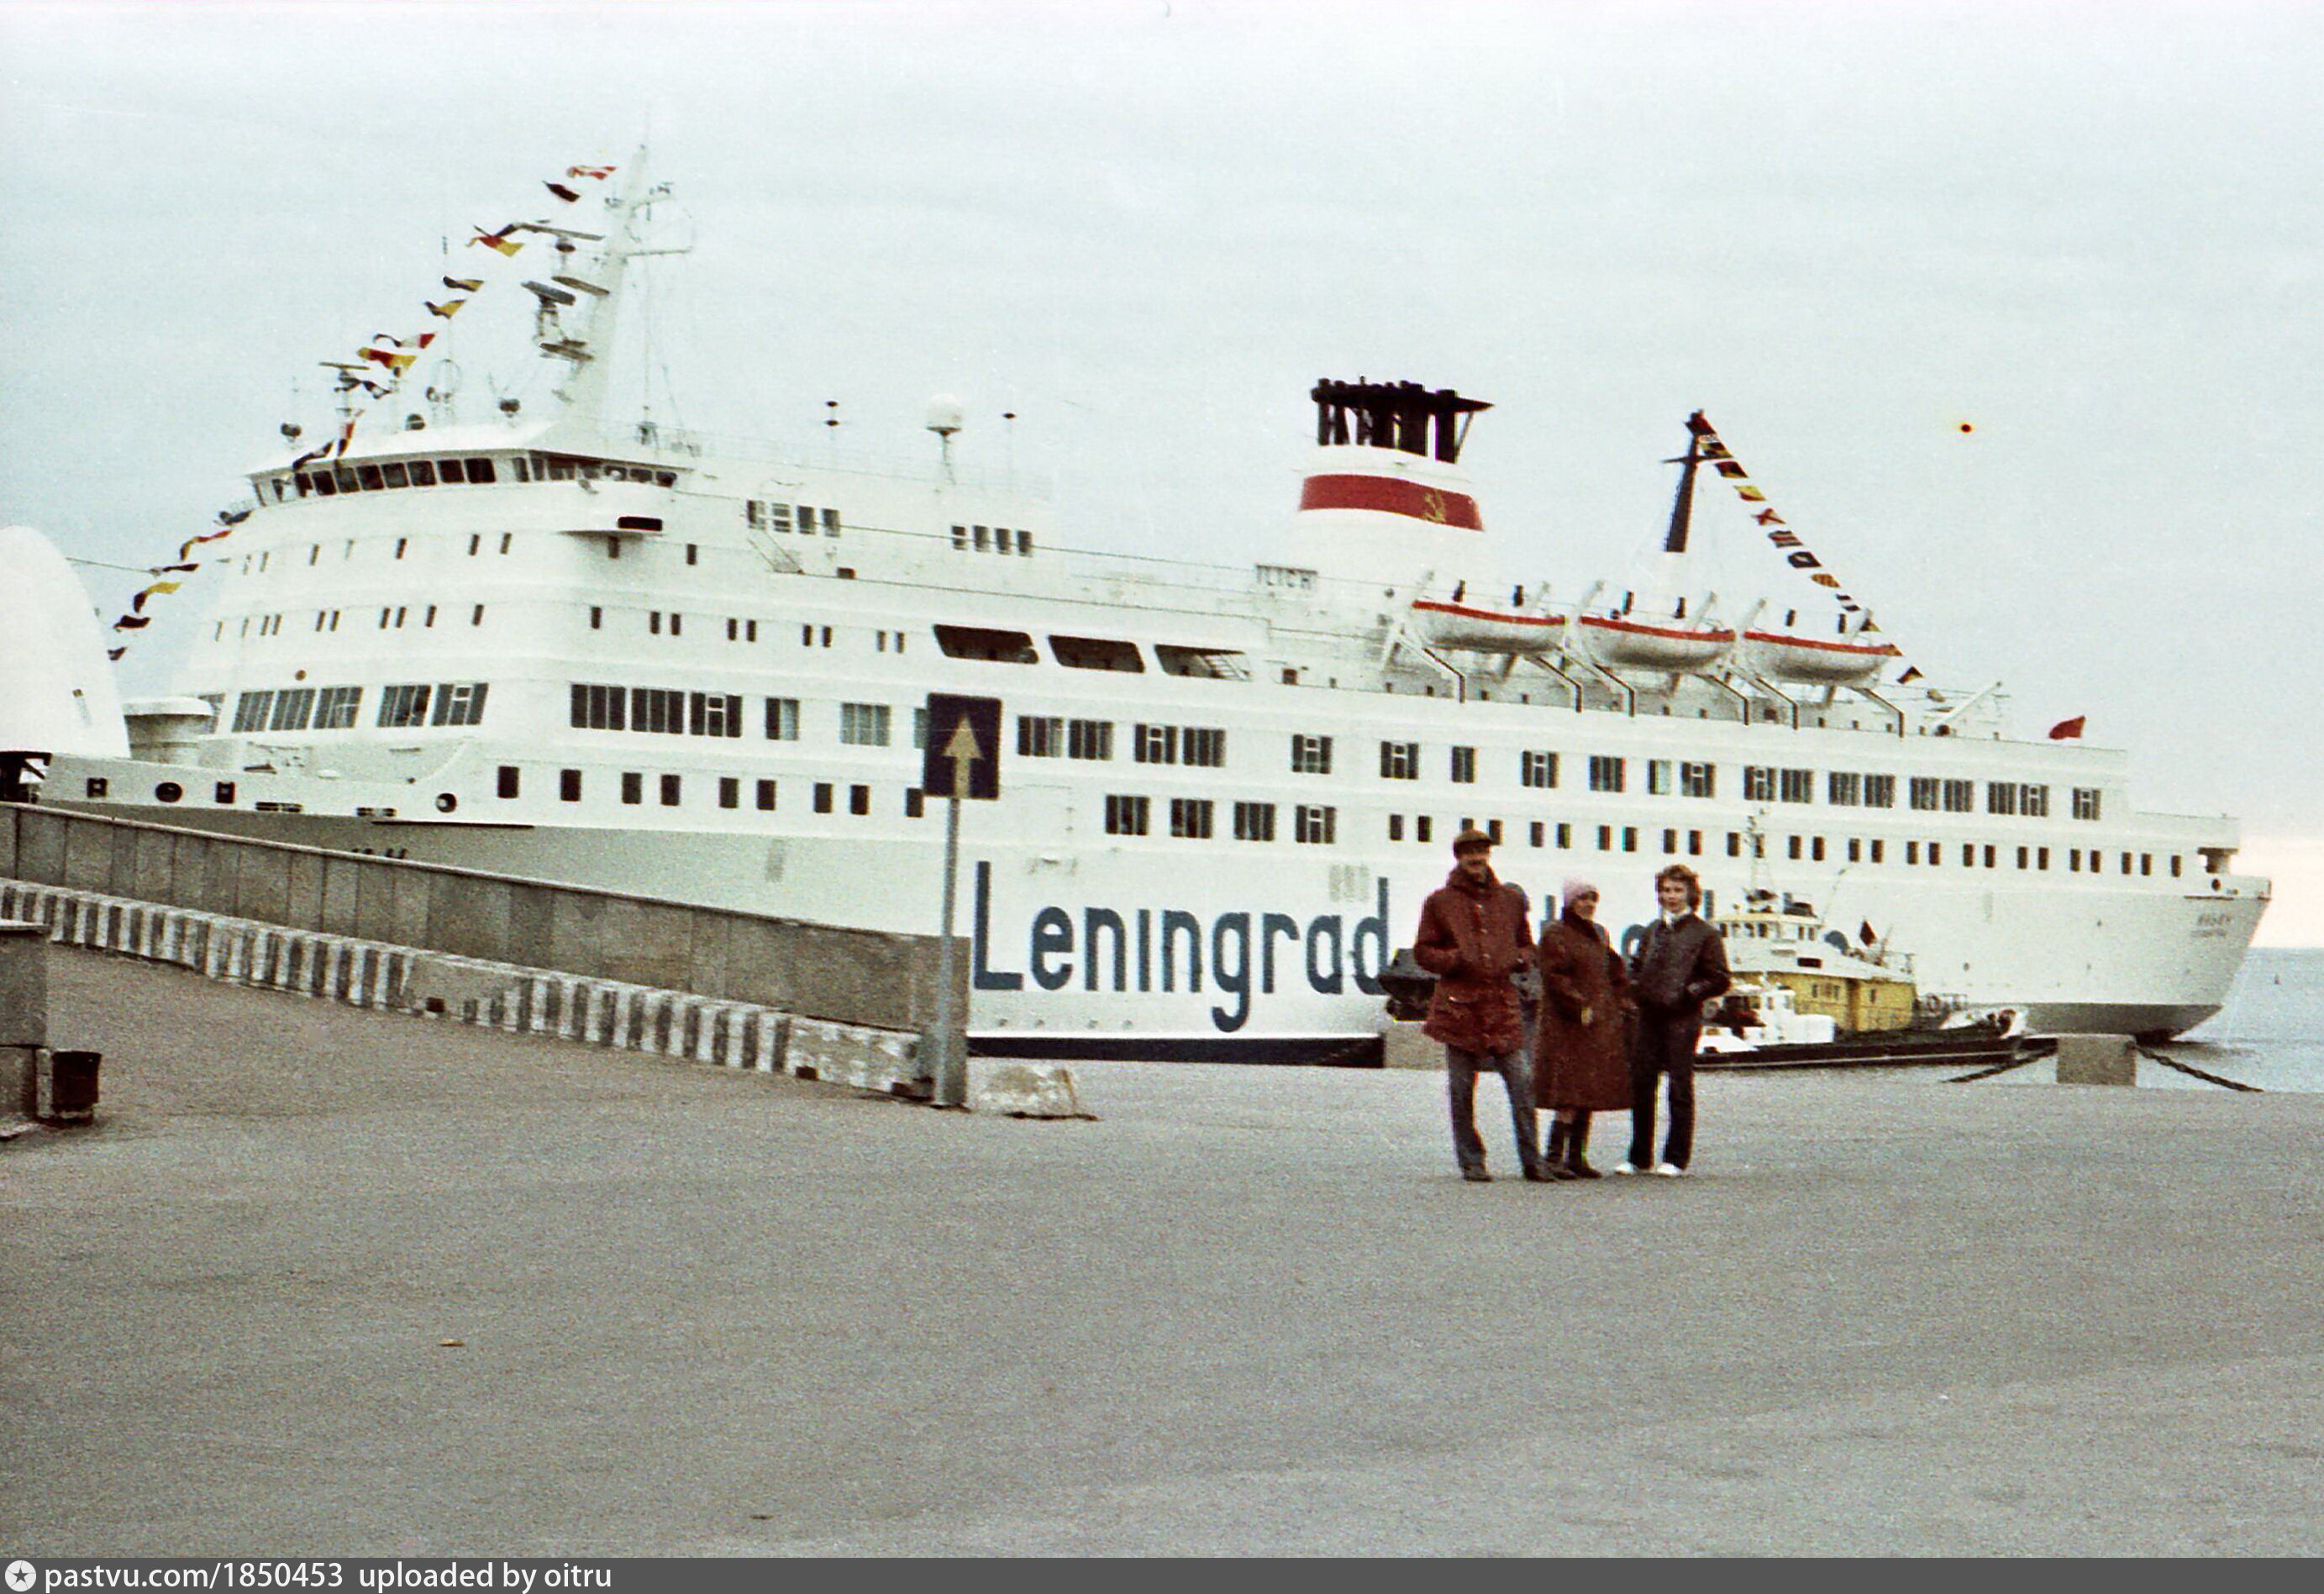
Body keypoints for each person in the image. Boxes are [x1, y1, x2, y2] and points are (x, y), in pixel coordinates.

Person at [1412, 828, 1548, 1183]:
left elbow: (1527, 945)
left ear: (1489, 856)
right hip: (1459, 1008)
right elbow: (1423, 951)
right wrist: (1455, 959)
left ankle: (1533, 1160)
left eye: (1482, 852)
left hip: (1501, 1005)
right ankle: (1471, 1160)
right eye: (1469, 853)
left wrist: (1518, 959)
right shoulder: (1439, 902)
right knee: (1461, 1090)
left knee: (1522, 1082)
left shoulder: (1510, 901)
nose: (1476, 859)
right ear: (1458, 858)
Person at [1621, 863, 1730, 1176]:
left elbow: (1720, 977)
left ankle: (1676, 1157)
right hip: (1650, 1014)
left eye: (1678, 890)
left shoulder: (1705, 933)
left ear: (1691, 894)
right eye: (1666, 890)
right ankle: (1639, 1156)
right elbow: (1637, 965)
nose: (1671, 896)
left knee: (1679, 1086)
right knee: (1642, 1084)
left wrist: (1689, 992)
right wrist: (1636, 986)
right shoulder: (1654, 929)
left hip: (1682, 1016)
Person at [1533, 876, 1633, 1179]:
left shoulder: (1598, 935)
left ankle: (1576, 1157)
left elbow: (1615, 973)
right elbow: (1555, 978)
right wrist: (1579, 1005)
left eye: (1592, 898)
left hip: (1595, 1026)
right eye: (1581, 899)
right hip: (1568, 1027)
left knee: (1586, 1092)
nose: (1588, 904)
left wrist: (1623, 1002)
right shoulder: (1555, 935)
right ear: (1568, 902)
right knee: (1569, 1095)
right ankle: (1553, 1159)